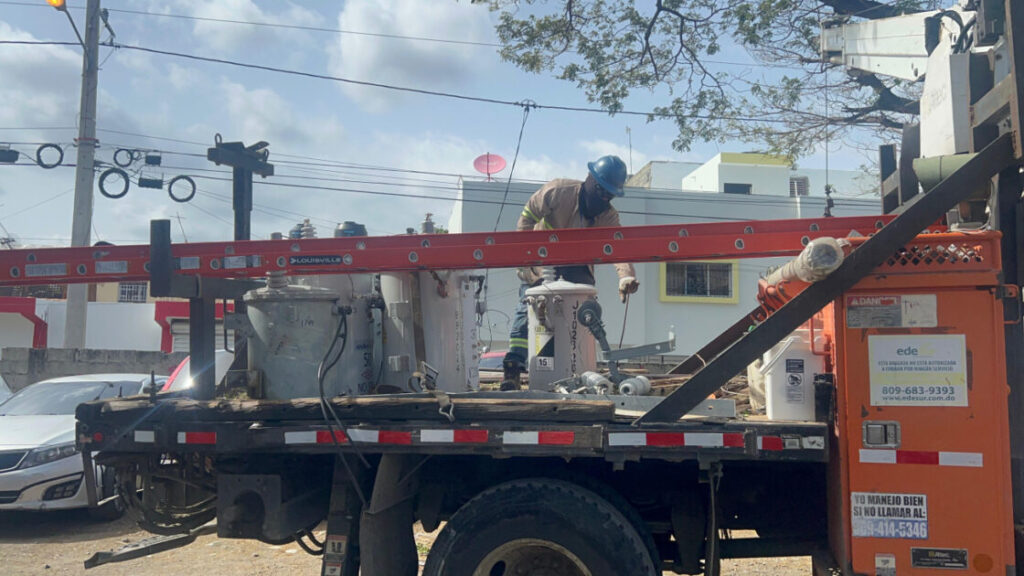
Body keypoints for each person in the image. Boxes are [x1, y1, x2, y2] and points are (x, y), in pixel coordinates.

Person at [501, 155, 640, 390]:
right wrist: (525, 258)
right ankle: (513, 369)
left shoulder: (607, 216)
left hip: (577, 268)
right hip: (543, 263)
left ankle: (581, 369)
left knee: (584, 313)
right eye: (601, 191)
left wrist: (625, 276)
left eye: (609, 195)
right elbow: (526, 220)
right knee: (528, 311)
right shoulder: (557, 192)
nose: (604, 199)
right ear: (589, 180)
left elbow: (618, 247)